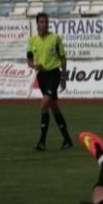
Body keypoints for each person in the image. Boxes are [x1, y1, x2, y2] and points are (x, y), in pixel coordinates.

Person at [26, 12, 73, 150]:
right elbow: (29, 60)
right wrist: (34, 66)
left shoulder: (55, 38)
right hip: (41, 75)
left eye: (46, 22)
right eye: (42, 22)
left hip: (54, 74)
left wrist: (63, 77)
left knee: (44, 104)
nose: (44, 24)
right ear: (37, 23)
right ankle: (67, 140)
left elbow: (63, 58)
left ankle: (42, 141)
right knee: (54, 107)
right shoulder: (32, 40)